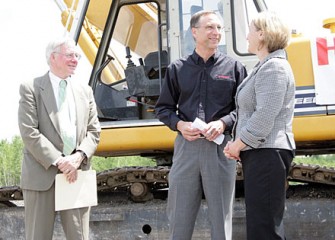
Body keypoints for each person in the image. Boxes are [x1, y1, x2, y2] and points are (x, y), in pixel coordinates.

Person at [155, 10, 247, 240]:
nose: (216, 33)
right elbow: (163, 108)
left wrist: (223, 122)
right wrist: (180, 125)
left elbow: (245, 110)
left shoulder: (235, 69)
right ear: (194, 32)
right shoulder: (177, 69)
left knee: (221, 219)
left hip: (221, 148)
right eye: (210, 27)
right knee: (179, 219)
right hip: (187, 149)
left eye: (218, 28)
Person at [18, 37, 101, 240]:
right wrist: (60, 160)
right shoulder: (31, 88)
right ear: (53, 57)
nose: (75, 60)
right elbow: (29, 131)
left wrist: (78, 157)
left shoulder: (86, 91)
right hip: (41, 176)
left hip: (76, 174)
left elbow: (94, 131)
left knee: (79, 237)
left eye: (77, 56)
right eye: (70, 55)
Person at [223, 11, 295, 240]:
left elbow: (264, 116)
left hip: (267, 151)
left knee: (264, 229)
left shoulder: (274, 67)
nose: (247, 36)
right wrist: (241, 145)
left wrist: (237, 145)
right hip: (261, 152)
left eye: (251, 30)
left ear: (262, 34)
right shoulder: (264, 66)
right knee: (260, 225)